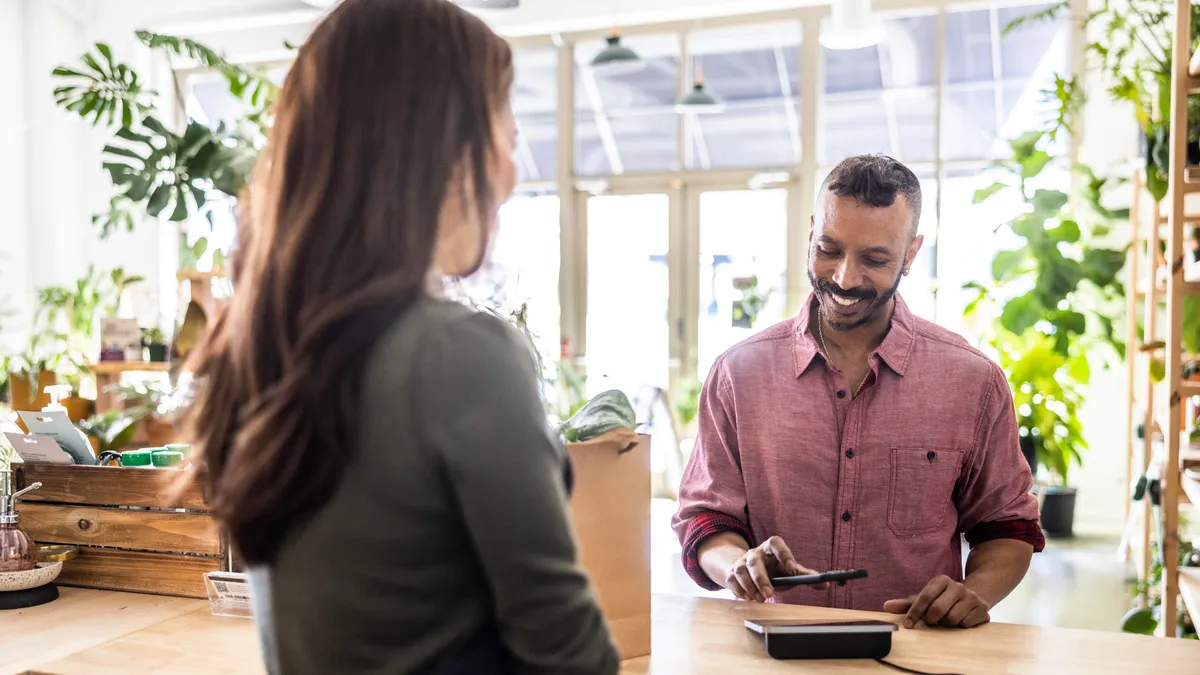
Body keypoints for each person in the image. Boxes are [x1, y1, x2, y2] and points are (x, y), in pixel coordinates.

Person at [181, 1, 619, 673]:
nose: (510, 172)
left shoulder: (260, 354)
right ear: (440, 154)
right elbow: (572, 657)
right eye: (503, 133)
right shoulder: (461, 356)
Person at [671, 154, 1044, 630]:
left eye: (874, 259)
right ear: (810, 234)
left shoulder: (972, 381)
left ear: (910, 254)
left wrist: (973, 594)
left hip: (915, 655)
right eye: (829, 249)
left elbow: (1007, 527)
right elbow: (704, 518)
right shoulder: (737, 374)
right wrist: (735, 564)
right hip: (774, 654)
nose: (845, 278)